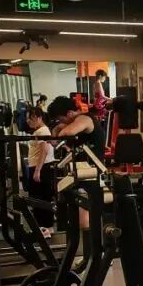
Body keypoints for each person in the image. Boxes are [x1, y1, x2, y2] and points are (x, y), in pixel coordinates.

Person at [48, 95, 100, 263]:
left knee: (86, 218)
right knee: (79, 217)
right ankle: (88, 255)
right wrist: (59, 126)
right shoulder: (75, 122)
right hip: (80, 172)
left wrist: (61, 127)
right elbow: (55, 139)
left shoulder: (85, 119)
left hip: (91, 173)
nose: (61, 122)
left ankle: (94, 255)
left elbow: (66, 132)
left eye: (61, 118)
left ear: (70, 113)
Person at [25, 107, 56, 236]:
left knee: (41, 198)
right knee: (37, 198)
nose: (28, 121)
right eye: (27, 118)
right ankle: (42, 227)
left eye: (30, 118)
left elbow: (44, 151)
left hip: (42, 168)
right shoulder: (39, 131)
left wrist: (38, 170)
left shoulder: (43, 130)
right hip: (37, 167)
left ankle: (47, 227)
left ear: (39, 118)